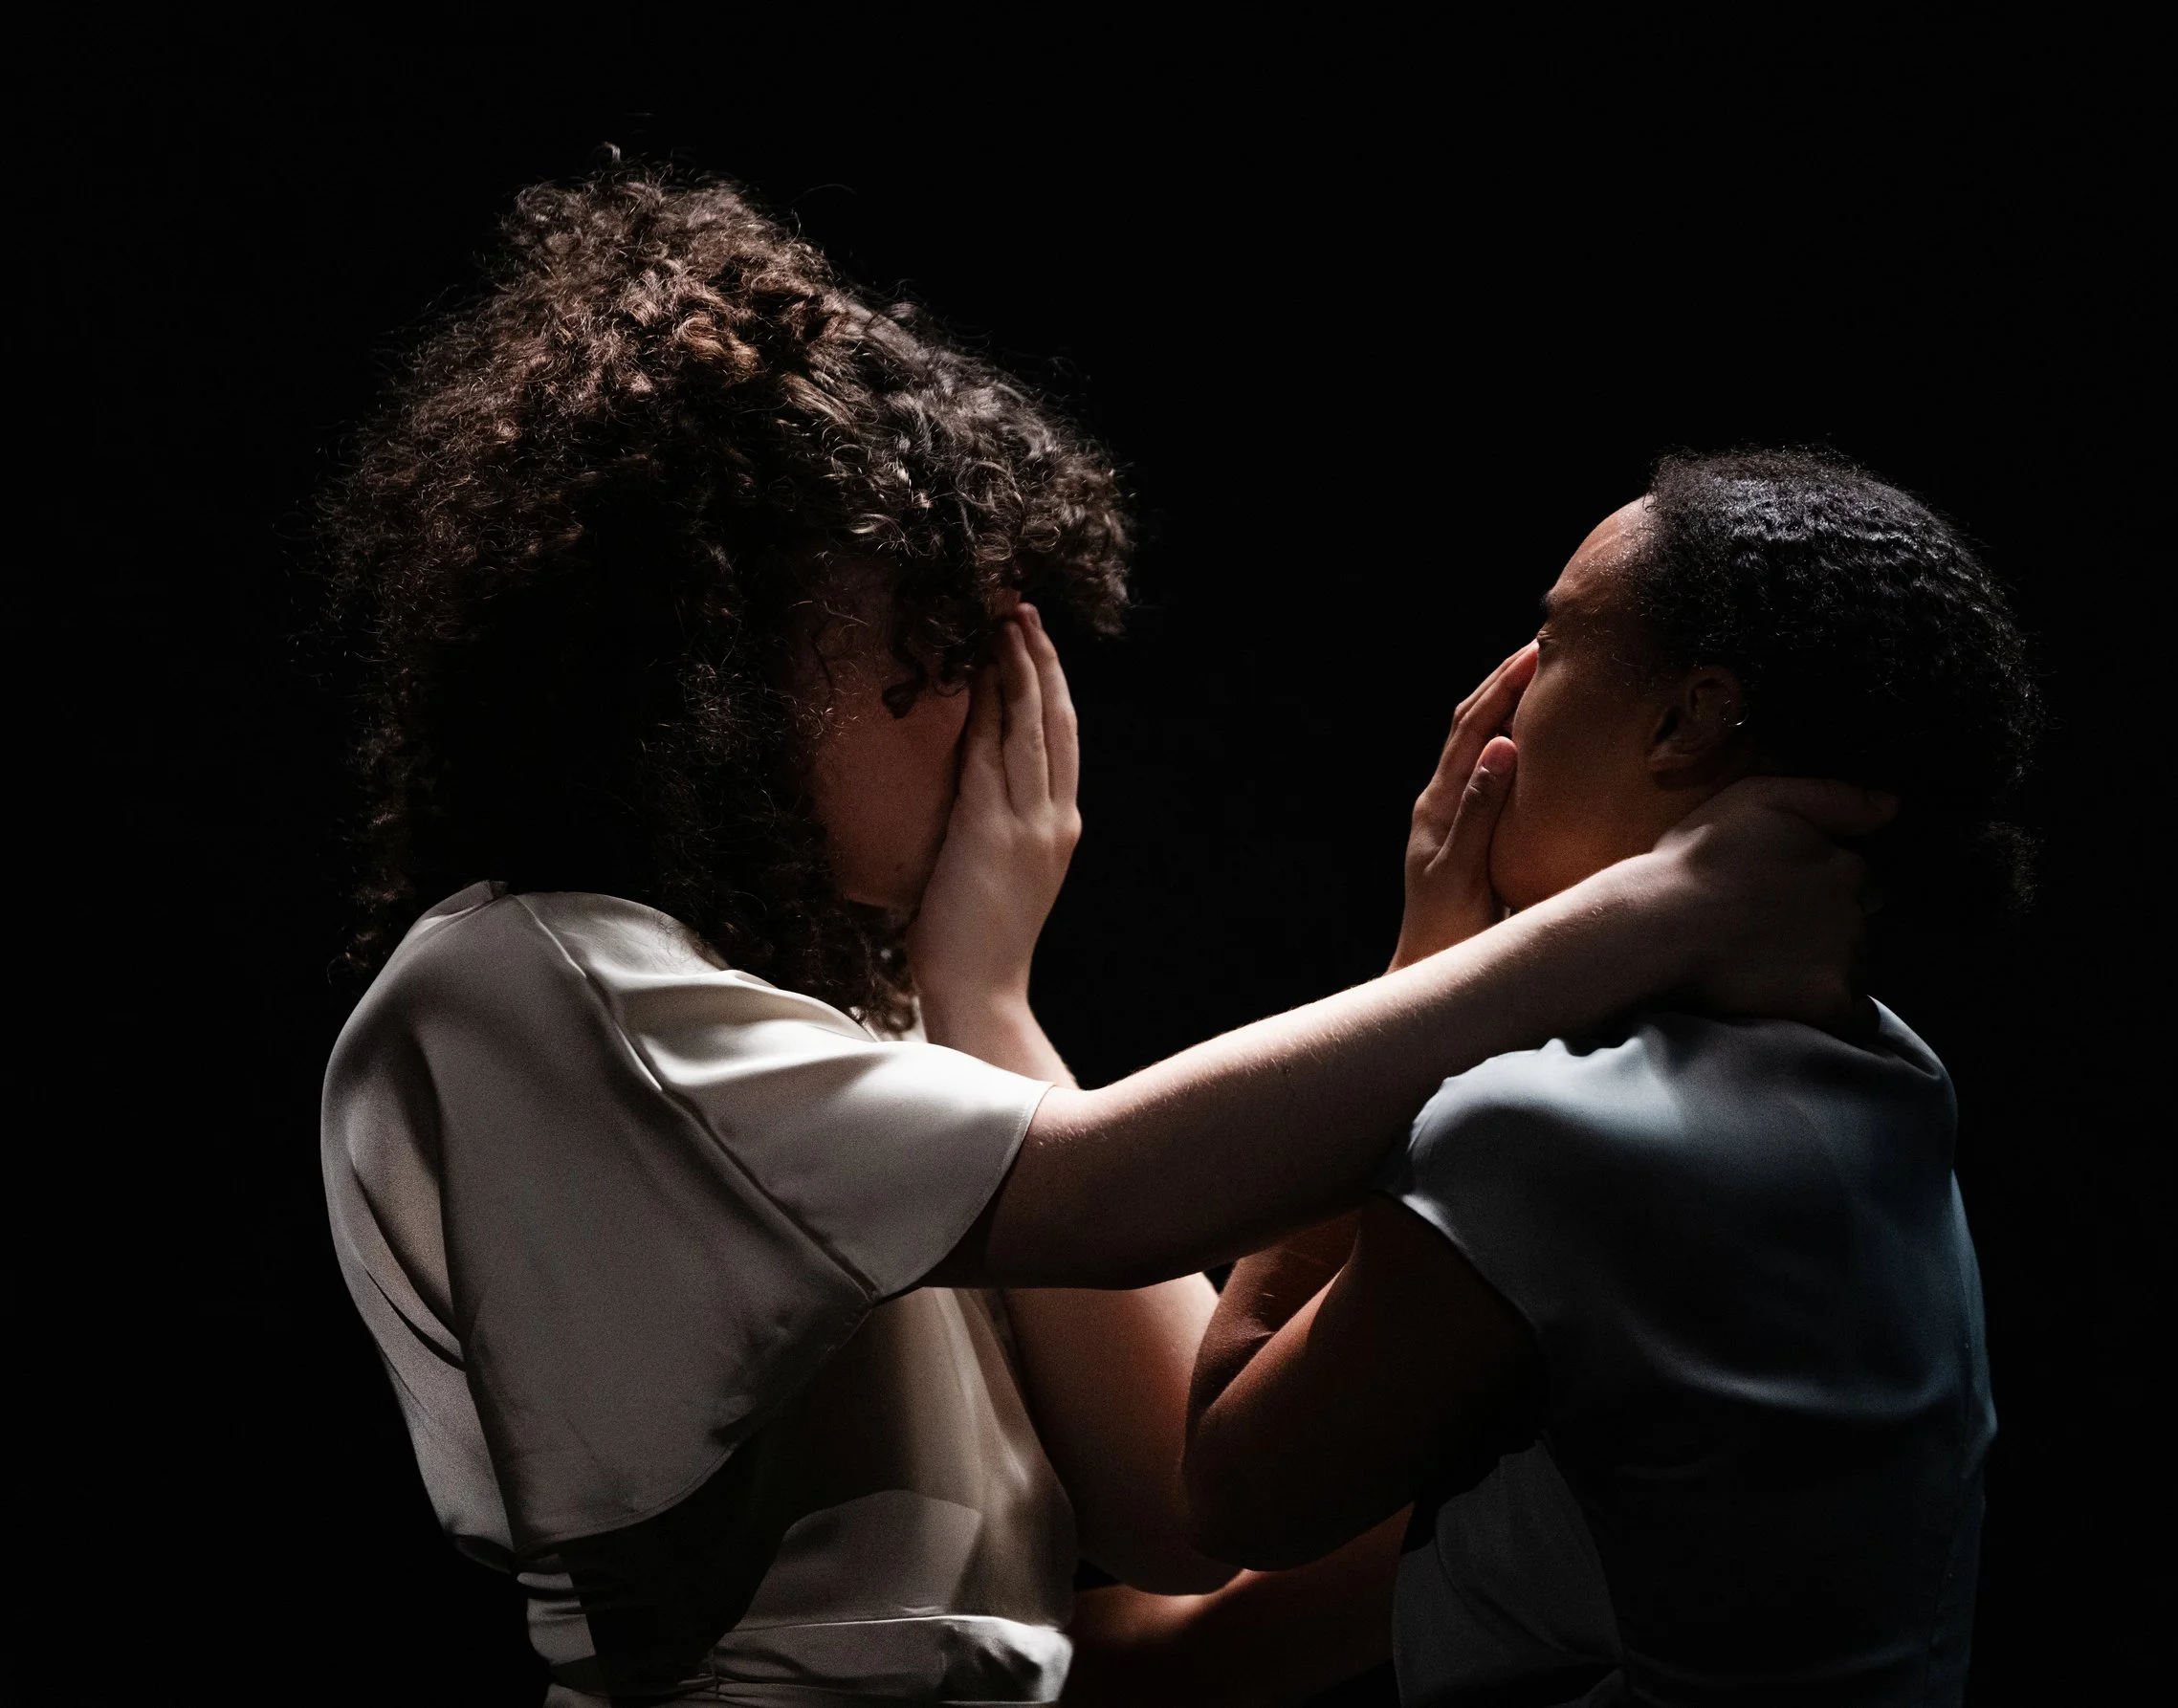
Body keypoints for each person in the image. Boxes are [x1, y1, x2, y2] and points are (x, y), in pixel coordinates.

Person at [317, 172, 1888, 1707]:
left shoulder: (848, 1026)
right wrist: (1667, 905)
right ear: (716, 652)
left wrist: (980, 995)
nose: (1008, 701)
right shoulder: (531, 979)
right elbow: (1107, 1187)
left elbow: (1179, 1504)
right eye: (935, 636)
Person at [1184, 451, 2036, 1707]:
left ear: (1686, 719)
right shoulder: (1896, 1081)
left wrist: (1418, 986)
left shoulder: (1560, 1136)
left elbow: (1230, 1484)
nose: (1494, 699)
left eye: (1550, 638)